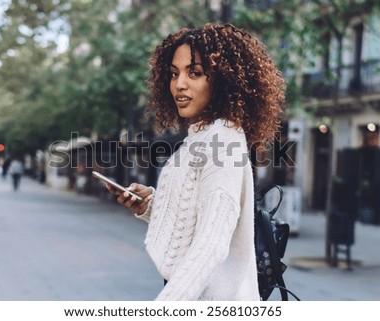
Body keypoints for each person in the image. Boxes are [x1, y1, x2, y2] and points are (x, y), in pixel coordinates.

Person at [107, 23, 285, 301]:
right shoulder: (201, 136)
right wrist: (149, 205)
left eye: (195, 73)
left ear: (223, 80)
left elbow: (212, 244)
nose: (179, 84)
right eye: (174, 73)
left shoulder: (222, 139)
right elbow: (201, 217)